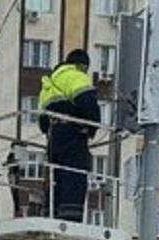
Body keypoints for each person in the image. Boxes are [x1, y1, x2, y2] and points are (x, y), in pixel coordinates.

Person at [38, 48, 101, 223]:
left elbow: (42, 123)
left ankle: (52, 212)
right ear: (82, 65)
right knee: (75, 173)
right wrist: (92, 128)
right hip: (72, 135)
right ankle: (71, 215)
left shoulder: (49, 84)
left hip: (53, 138)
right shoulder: (76, 76)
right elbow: (88, 104)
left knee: (56, 177)